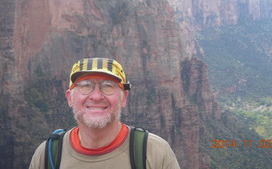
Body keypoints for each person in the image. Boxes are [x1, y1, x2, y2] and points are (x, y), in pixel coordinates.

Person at [29, 57, 180, 169]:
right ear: (70, 98)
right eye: (85, 85)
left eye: (108, 86)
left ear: (123, 98)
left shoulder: (155, 153)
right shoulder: (47, 156)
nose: (96, 96)